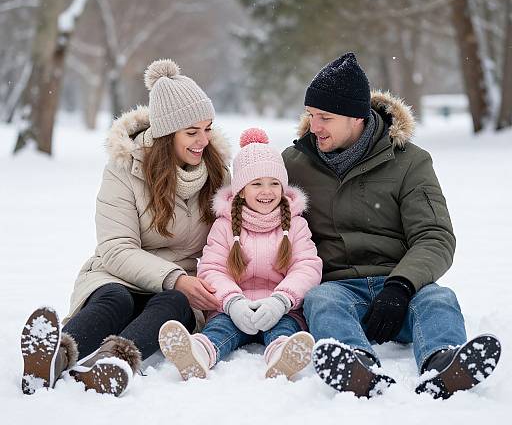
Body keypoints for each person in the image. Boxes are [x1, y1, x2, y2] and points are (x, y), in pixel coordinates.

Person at [282, 52, 501, 399]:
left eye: (325, 117)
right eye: (311, 116)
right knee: (321, 301)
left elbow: (435, 235)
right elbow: (254, 212)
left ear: (357, 118)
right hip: (338, 285)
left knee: (439, 299)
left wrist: (401, 286)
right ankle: (355, 365)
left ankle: (444, 362)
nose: (314, 126)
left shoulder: (410, 162)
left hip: (401, 283)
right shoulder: (294, 165)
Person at [20, 58, 230, 397]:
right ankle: (54, 356)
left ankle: (111, 363)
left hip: (181, 286)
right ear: (165, 134)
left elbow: (230, 237)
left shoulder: (218, 173)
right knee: (114, 299)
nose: (203, 140)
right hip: (119, 273)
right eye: (192, 132)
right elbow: (116, 248)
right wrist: (174, 276)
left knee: (172, 303)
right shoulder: (124, 169)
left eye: (207, 128)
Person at [158, 128, 322, 380]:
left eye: (274, 183)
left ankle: (283, 357)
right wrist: (232, 303)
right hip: (233, 309)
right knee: (219, 329)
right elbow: (212, 269)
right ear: (241, 190)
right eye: (256, 184)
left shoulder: (296, 224)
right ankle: (198, 353)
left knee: (284, 330)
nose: (267, 191)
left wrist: (281, 301)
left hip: (280, 309)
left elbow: (307, 267)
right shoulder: (224, 225)